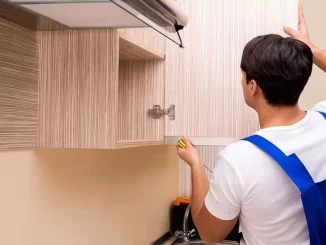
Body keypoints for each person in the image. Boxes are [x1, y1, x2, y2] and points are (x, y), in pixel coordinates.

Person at [177, 5, 326, 245]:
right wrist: (311, 50)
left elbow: (210, 233)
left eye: (242, 75)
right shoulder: (324, 120)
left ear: (253, 86)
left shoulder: (240, 158)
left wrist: (195, 164)